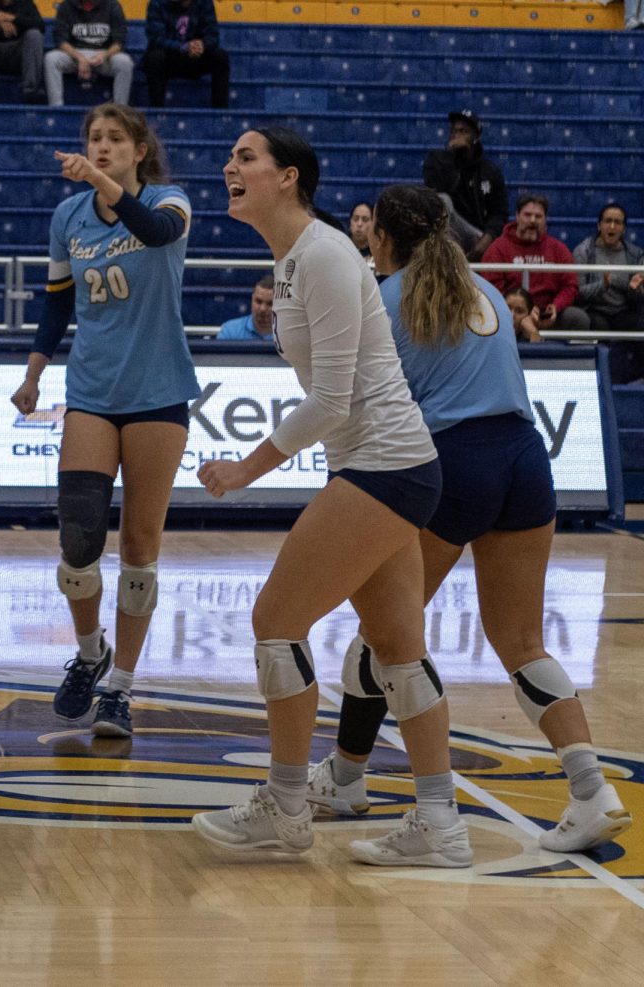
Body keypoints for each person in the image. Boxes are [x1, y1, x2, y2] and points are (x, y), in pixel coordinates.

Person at [307, 184, 633, 855]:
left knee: (383, 632)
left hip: (451, 460)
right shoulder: (483, 290)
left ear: (382, 238)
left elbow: (359, 408)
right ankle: (593, 789)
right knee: (522, 643)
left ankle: (347, 777)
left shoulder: (382, 299)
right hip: (524, 458)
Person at [192, 129, 470, 868]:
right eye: (232, 155)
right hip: (388, 465)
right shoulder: (289, 262)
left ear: (288, 178)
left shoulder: (321, 252)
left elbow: (334, 400)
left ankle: (285, 802)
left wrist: (245, 469)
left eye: (245, 156)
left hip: (385, 464)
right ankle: (440, 821)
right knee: (398, 652)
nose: (230, 165)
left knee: (275, 620)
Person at [10, 104, 198, 738]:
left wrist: (99, 180)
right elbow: (57, 305)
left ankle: (121, 688)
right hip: (90, 390)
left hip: (159, 392)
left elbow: (154, 232)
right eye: (95, 139)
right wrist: (34, 373)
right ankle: (91, 654)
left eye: (116, 139)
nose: (103, 146)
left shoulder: (171, 201)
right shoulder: (68, 218)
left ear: (140, 149)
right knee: (78, 537)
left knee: (141, 546)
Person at [481, 193, 591, 333]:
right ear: (517, 216)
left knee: (578, 318)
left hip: (547, 315)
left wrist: (556, 306)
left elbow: (570, 285)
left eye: (538, 216)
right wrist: (521, 312)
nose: (532, 220)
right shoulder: (497, 249)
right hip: (511, 315)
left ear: (545, 219)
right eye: (527, 215)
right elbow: (492, 290)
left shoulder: (558, 249)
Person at [421, 109, 506, 261]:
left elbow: (499, 213)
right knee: (442, 200)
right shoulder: (437, 160)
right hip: (448, 233)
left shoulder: (490, 171)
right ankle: (447, 255)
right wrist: (451, 155)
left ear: (475, 136)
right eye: (454, 130)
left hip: (476, 235)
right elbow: (436, 189)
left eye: (464, 131)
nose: (457, 135)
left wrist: (485, 240)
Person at [572, 204, 644, 380]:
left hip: (623, 310)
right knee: (599, 326)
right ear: (599, 225)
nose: (612, 226)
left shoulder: (635, 255)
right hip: (594, 310)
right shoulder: (583, 252)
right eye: (608, 221)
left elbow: (636, 296)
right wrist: (603, 285)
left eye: (617, 222)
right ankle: (597, 379)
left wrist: (631, 288)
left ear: (624, 228)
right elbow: (578, 294)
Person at [142, 0, 230, 109]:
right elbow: (156, 39)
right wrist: (183, 47)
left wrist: (202, 45)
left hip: (196, 57)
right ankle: (157, 111)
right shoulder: (157, 3)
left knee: (220, 56)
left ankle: (220, 113)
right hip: (170, 57)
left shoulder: (205, 3)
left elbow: (213, 35)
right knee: (154, 58)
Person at [44, 0, 132, 108]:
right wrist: (80, 57)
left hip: (103, 55)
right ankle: (56, 108)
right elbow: (60, 40)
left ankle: (120, 110)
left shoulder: (112, 5)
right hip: (75, 54)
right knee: (51, 58)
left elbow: (119, 42)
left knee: (124, 62)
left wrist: (104, 55)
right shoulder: (66, 5)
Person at [218, 274, 274, 341]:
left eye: (270, 304)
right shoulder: (230, 331)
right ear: (252, 300)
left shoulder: (288, 334)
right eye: (258, 301)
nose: (263, 309)